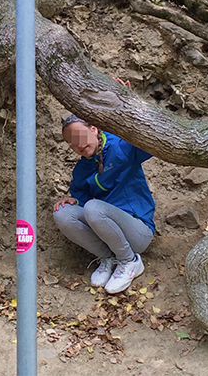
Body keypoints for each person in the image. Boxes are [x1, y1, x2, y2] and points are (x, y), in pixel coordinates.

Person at [53, 114, 155, 294]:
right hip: (108, 234)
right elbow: (82, 195)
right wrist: (75, 201)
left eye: (80, 136)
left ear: (93, 129)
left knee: (93, 207)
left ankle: (129, 261)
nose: (79, 145)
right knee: (62, 213)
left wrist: (128, 108)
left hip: (138, 231)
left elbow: (149, 141)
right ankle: (107, 258)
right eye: (72, 143)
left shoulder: (120, 146)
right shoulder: (82, 168)